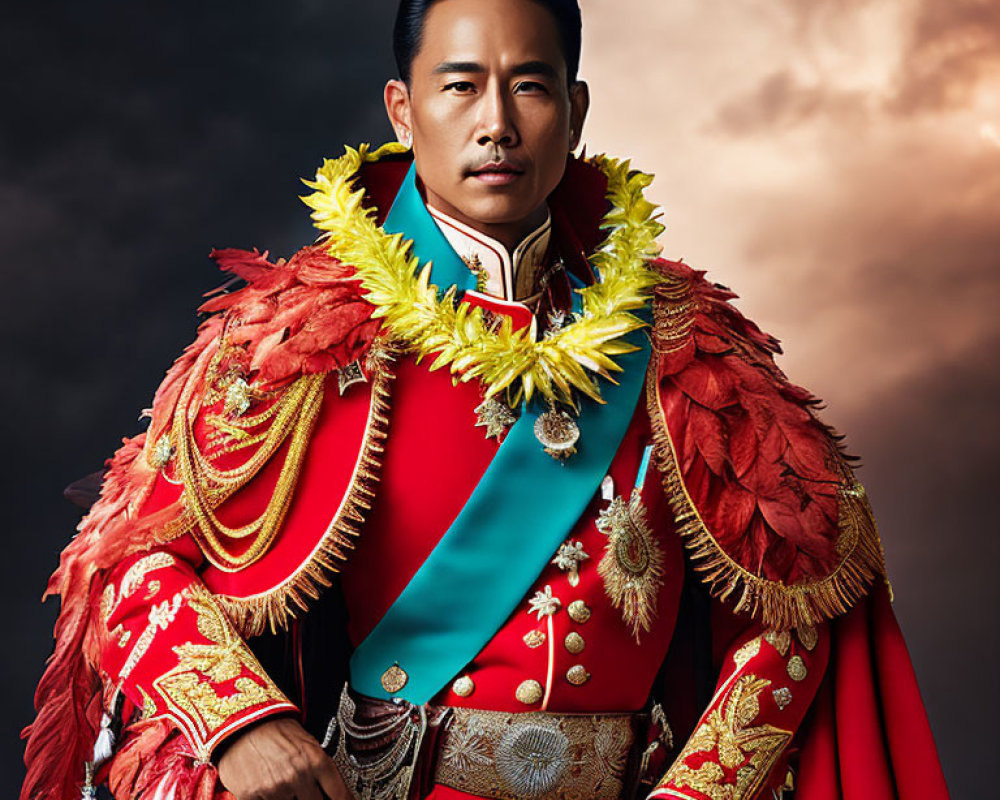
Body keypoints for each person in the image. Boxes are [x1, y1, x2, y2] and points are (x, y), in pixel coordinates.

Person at [21, 1, 951, 799]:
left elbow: (800, 611)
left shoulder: (689, 344)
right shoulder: (290, 336)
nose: (496, 122)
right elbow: (126, 568)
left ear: (576, 111)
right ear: (404, 107)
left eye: (531, 87)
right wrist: (240, 723)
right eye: (461, 86)